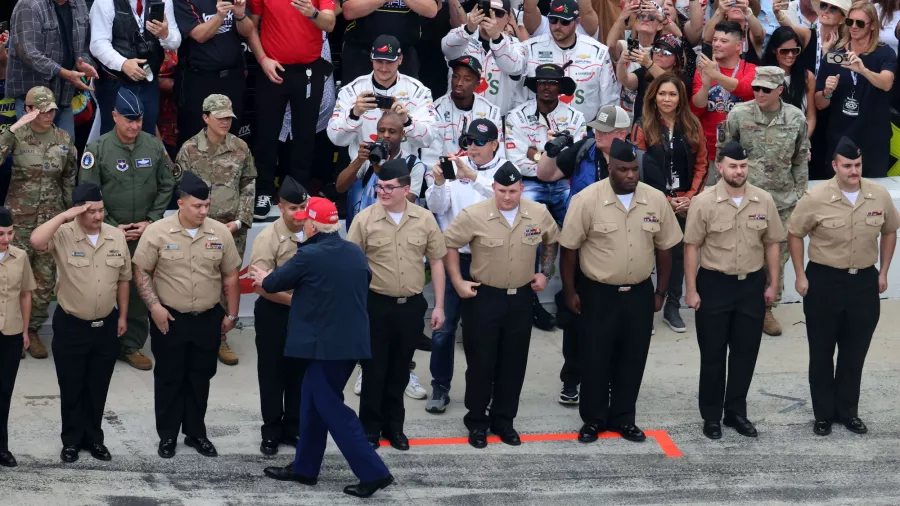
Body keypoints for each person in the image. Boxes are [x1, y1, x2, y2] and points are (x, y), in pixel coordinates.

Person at [252, 197, 394, 499]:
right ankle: (305, 468)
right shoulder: (354, 253)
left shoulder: (310, 255)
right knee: (312, 405)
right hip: (349, 344)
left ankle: (374, 472)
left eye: (306, 220)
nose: (303, 224)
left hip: (324, 347)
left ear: (314, 225)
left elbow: (274, 283)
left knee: (330, 408)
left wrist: (264, 277)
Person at [558, 138, 682, 444]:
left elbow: (666, 248)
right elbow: (569, 249)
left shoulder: (654, 200)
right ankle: (594, 419)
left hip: (639, 292)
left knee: (633, 358)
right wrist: (570, 291)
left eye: (633, 169)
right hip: (598, 293)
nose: (630, 175)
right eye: (623, 170)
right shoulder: (586, 200)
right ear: (610, 168)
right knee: (595, 358)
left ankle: (625, 418)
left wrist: (661, 292)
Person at [443, 162, 560, 448]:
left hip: (521, 297)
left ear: (522, 188)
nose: (507, 197)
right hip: (484, 298)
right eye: (502, 190)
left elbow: (551, 240)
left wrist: (545, 273)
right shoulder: (474, 215)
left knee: (514, 363)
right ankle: (477, 422)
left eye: (513, 190)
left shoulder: (537, 213)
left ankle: (504, 421)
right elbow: (449, 245)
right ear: (493, 188)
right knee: (481, 364)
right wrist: (458, 282)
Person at [787, 137, 899, 436]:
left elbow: (890, 231)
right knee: (822, 352)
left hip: (863, 281)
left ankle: (848, 411)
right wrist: (800, 274)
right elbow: (795, 233)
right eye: (847, 165)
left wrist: (883, 270)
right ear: (835, 165)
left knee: (854, 352)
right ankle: (823, 414)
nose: (853, 171)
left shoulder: (878, 195)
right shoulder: (816, 196)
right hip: (824, 281)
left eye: (858, 165)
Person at [131, 171, 241, 459]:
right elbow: (141, 270)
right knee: (169, 377)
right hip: (170, 318)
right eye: (197, 206)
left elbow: (230, 276)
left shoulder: (219, 233)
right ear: (181, 203)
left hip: (207, 317)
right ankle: (167, 436)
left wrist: (232, 314)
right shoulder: (157, 232)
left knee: (200, 377)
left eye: (207, 206)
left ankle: (196, 433)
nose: (204, 211)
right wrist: (154, 307)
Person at [683, 140, 786, 440]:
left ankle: (736, 412)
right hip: (714, 285)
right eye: (733, 166)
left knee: (745, 353)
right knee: (713, 355)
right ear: (720, 167)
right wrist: (691, 290)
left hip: (751, 286)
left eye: (743, 166)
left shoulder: (763, 200)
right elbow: (691, 247)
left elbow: (772, 244)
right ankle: (712, 415)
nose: (738, 171)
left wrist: (774, 284)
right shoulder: (703, 202)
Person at [347, 159, 447, 451]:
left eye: (390, 188)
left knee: (400, 370)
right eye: (380, 186)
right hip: (375, 304)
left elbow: (437, 262)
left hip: (411, 306)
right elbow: (352, 268)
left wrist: (438, 306)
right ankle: (370, 429)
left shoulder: (424, 219)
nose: (383, 192)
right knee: (374, 370)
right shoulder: (364, 220)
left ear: (407, 189)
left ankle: (395, 428)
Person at [29, 183, 131, 462]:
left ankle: (94, 439)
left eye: (100, 210)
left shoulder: (115, 236)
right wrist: (65, 215)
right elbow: (37, 241)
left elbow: (124, 279)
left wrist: (122, 316)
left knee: (98, 386)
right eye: (91, 212)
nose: (98, 217)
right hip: (72, 324)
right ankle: (71, 441)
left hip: (106, 324)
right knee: (72, 386)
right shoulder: (63, 235)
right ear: (77, 212)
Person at [79, 89, 176, 371]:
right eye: (128, 120)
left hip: (143, 232)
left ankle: (131, 344)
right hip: (105, 232)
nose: (134, 126)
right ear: (114, 116)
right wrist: (110, 226)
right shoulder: (97, 149)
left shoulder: (153, 146)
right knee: (98, 288)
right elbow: (88, 193)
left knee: (136, 289)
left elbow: (167, 185)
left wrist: (151, 220)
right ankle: (94, 343)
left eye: (139, 120)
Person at [423, 118, 508, 413]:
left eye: (479, 142)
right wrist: (438, 182)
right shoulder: (454, 166)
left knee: (485, 330)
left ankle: (489, 386)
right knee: (443, 328)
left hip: (490, 258)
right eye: (468, 141)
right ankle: (440, 385)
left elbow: (505, 202)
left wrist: (473, 177)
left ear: (495, 145)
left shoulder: (504, 170)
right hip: (454, 256)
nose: (472, 147)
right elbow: (436, 208)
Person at [719, 66, 809, 336]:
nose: (759, 93)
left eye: (766, 89)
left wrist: (799, 198)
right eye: (756, 88)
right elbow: (722, 155)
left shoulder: (795, 118)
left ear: (780, 90)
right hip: (743, 200)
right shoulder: (738, 115)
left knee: (776, 259)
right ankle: (733, 308)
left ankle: (766, 310)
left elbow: (800, 159)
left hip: (781, 202)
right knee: (738, 253)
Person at [174, 94, 256, 366]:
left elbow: (248, 186)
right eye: (219, 117)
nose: (225, 122)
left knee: (226, 284)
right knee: (197, 281)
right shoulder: (189, 149)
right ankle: (192, 338)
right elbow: (182, 190)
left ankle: (220, 338)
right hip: (199, 228)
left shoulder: (240, 147)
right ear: (205, 117)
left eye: (228, 117)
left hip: (232, 229)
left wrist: (240, 222)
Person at [505, 63, 584, 330]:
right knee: (529, 237)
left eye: (552, 82)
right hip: (529, 185)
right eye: (542, 82)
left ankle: (569, 298)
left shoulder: (575, 118)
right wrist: (549, 159)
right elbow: (515, 161)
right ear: (535, 86)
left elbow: (573, 159)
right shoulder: (516, 116)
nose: (547, 86)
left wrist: (537, 155)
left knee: (578, 234)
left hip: (563, 184)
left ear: (561, 87)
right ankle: (533, 304)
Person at [0, 86, 76, 359]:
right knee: (12, 276)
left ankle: (32, 331)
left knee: (44, 279)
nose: (48, 115)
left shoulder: (64, 138)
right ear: (29, 110)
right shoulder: (16, 137)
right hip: (17, 220)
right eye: (42, 110)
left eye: (52, 109)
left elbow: (68, 178)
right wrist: (13, 128)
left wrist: (70, 216)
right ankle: (10, 330)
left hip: (49, 220)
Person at [632, 73, 709, 334]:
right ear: (654, 96)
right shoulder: (643, 125)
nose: (667, 99)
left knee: (677, 255)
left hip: (684, 202)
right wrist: (663, 199)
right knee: (644, 253)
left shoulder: (692, 124)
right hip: (652, 201)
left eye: (672, 94)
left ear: (680, 98)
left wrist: (690, 196)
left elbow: (702, 162)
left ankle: (672, 306)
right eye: (662, 93)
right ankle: (643, 307)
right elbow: (637, 166)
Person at [246, 0, 335, 219]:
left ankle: (299, 193)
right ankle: (264, 191)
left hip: (308, 70)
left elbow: (330, 23)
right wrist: (262, 59)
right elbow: (251, 28)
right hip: (272, 69)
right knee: (267, 134)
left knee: (304, 136)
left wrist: (312, 12)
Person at [248, 176, 309, 456]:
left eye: (303, 207)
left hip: (304, 316)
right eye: (293, 208)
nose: (299, 214)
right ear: (280, 207)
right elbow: (260, 286)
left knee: (299, 372)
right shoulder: (267, 238)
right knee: (272, 372)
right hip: (275, 313)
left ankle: (293, 426)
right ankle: (271, 429)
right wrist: (296, 302)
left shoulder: (313, 232)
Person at [328, 34, 437, 185]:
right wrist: (354, 114)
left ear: (400, 60)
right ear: (371, 59)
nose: (384, 68)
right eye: (379, 61)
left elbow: (428, 139)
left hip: (402, 175)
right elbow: (336, 139)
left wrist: (407, 121)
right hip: (363, 172)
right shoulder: (351, 90)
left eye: (390, 62)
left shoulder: (418, 91)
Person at [815, 1, 896, 177]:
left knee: (873, 198)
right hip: (840, 139)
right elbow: (819, 104)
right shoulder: (835, 55)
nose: (853, 27)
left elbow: (886, 83)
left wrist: (863, 71)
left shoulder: (885, 53)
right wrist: (827, 93)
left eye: (860, 23)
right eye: (849, 22)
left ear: (873, 25)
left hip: (873, 141)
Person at [89, 0, 183, 135]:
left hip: (149, 82)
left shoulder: (163, 1)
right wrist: (123, 64)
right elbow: (98, 44)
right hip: (116, 83)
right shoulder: (105, 2)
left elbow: (175, 42)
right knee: (114, 139)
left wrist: (165, 34)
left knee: (147, 137)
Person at [7, 0, 98, 139]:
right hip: (35, 104)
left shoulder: (79, 3)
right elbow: (28, 54)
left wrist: (83, 62)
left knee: (67, 156)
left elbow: (86, 42)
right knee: (33, 157)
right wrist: (64, 73)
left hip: (64, 99)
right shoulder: (28, 5)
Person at [173, 0, 259, 145]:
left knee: (231, 137)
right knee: (197, 139)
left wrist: (240, 15)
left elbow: (247, 31)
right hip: (201, 80)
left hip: (232, 78)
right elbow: (199, 35)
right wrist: (220, 16)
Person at [523, 0, 620, 122]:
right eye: (553, 20)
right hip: (540, 130)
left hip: (585, 133)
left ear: (577, 22)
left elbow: (609, 101)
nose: (558, 26)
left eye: (564, 21)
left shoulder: (598, 51)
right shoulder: (530, 48)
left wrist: (602, 134)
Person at [335, 112, 428, 226]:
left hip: (398, 229)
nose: (386, 135)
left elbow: (409, 200)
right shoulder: (368, 157)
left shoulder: (413, 164)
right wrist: (358, 161)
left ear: (402, 134)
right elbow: (340, 187)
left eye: (392, 131)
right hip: (367, 227)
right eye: (382, 130)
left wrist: (382, 174)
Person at [440, 0, 529, 115]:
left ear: (508, 18)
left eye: (498, 13)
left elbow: (514, 67)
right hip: (456, 118)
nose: (491, 18)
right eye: (486, 12)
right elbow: (446, 48)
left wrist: (497, 38)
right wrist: (468, 29)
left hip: (494, 121)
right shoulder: (463, 35)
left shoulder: (517, 46)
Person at [691, 20, 758, 167]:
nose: (716, 44)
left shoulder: (751, 69)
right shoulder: (703, 70)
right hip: (709, 152)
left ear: (738, 46)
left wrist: (714, 75)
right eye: (715, 40)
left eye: (723, 41)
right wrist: (706, 85)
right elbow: (696, 108)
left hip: (745, 152)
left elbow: (744, 88)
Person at [0, 207, 35, 468]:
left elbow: (25, 294)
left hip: (10, 334)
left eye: (10, 233)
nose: (6, 239)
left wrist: (24, 331)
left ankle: (2, 447)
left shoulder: (20, 257)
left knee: (4, 394)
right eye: (1, 234)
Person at [421, 55, 503, 167]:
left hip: (482, 178)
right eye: (456, 76)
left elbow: (499, 156)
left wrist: (482, 182)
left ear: (477, 84)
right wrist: (440, 184)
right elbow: (431, 161)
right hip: (448, 179)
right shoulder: (436, 110)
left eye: (467, 79)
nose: (459, 83)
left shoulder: (491, 111)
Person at [340, 0, 439, 82]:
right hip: (362, 54)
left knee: (404, 103)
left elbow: (431, 10)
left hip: (403, 55)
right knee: (357, 103)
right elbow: (348, 11)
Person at [617, 33, 688, 124]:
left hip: (668, 129)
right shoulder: (645, 72)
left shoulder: (683, 79)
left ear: (676, 60)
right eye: (656, 49)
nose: (659, 54)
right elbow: (625, 80)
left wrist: (649, 64)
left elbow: (674, 84)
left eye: (666, 52)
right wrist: (622, 61)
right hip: (642, 127)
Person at [762, 26, 817, 135]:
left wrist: (803, 141)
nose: (790, 55)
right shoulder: (763, 75)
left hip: (799, 140)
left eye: (794, 50)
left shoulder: (807, 77)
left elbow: (811, 117)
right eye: (784, 51)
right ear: (774, 50)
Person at [703, 0, 766, 64]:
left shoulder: (752, 32)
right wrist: (720, 11)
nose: (736, 6)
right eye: (732, 2)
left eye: (740, 3)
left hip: (750, 73)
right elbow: (707, 38)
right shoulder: (718, 30)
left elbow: (759, 35)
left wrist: (747, 13)